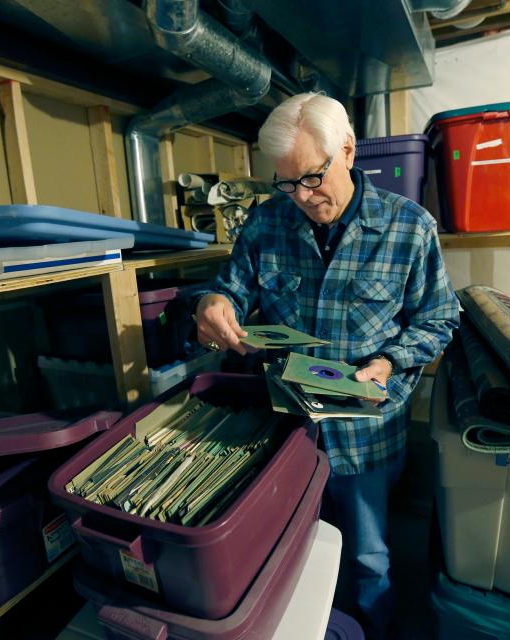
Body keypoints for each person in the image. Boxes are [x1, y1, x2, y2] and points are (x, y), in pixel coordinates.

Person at [193, 92, 459, 638]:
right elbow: (231, 291)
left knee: (368, 559)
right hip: (288, 431)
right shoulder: (267, 225)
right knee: (291, 553)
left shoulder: (410, 228)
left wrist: (390, 360)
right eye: (287, 184)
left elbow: (439, 319)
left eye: (314, 177)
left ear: (348, 150)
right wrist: (213, 304)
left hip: (366, 437)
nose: (305, 197)